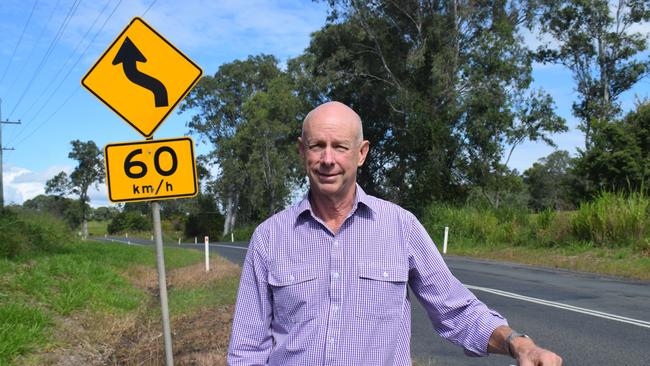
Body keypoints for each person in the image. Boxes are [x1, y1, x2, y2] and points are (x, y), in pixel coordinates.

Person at [227, 101, 563, 366]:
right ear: (302, 151)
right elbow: (247, 348)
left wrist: (520, 345)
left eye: (340, 147)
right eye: (317, 146)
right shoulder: (269, 237)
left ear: (361, 153)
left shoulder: (401, 227)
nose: (328, 159)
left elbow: (456, 310)